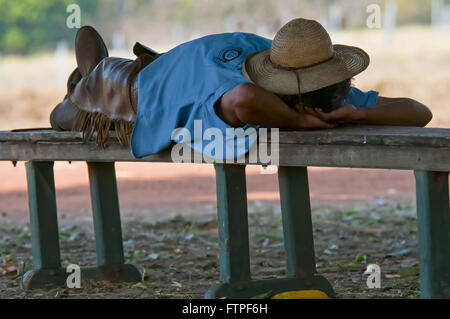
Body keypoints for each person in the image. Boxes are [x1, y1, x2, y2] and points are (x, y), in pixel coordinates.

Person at [50, 18, 432, 160]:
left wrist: (359, 112)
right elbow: (245, 99)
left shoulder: (318, 83)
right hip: (141, 88)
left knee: (111, 73)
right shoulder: (238, 86)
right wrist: (299, 124)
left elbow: (419, 112)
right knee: (80, 102)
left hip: (180, 64)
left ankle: (86, 75)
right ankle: (82, 82)